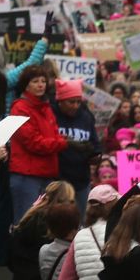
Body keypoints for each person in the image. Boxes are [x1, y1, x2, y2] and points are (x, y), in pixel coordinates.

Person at [8, 66, 69, 224]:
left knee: (45, 224)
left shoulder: (46, 107)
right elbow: (34, 143)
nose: (41, 84)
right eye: (35, 81)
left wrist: (61, 142)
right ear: (26, 85)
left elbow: (54, 135)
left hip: (46, 174)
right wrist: (63, 143)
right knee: (26, 223)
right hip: (27, 176)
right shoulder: (19, 108)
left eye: (43, 81)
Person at [52, 79, 101, 217]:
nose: (75, 106)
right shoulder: (51, 116)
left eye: (78, 102)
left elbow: (96, 146)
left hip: (81, 180)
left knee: (79, 223)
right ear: (60, 101)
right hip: (57, 180)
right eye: (71, 102)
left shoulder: (86, 117)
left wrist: (94, 155)